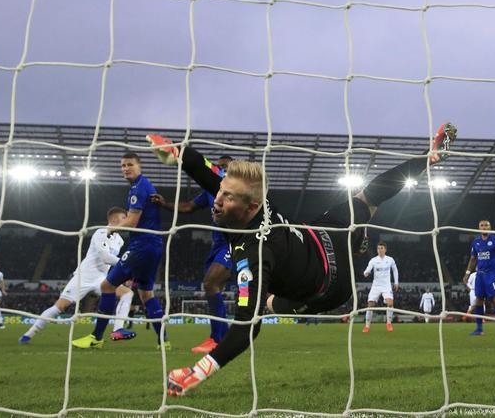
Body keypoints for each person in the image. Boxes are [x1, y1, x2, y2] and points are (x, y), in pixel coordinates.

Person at [152, 122, 456, 396]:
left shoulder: (253, 255)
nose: (216, 202)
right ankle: (416, 172)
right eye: (221, 193)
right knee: (369, 197)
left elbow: (247, 327)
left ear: (251, 207)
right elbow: (209, 175)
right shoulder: (256, 201)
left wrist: (197, 372)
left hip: (330, 285)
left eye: (227, 197)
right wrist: (177, 152)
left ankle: (412, 176)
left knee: (271, 304)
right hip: (321, 233)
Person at [71, 154, 168, 349]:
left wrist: (112, 228)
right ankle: (164, 341)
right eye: (122, 165)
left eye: (130, 164)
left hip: (141, 245)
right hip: (154, 245)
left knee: (107, 286)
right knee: (146, 294)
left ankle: (97, 338)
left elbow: (131, 222)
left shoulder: (139, 187)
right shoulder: (144, 185)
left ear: (139, 166)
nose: (125, 168)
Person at [150, 155, 234, 354]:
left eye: (226, 167)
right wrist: (165, 204)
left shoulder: (238, 190)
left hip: (234, 241)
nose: (222, 169)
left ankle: (216, 339)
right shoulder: (209, 190)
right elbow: (189, 206)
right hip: (217, 243)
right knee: (214, 288)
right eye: (219, 167)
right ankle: (225, 334)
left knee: (210, 283)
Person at [22, 207, 135, 344]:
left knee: (127, 293)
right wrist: (127, 263)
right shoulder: (100, 232)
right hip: (84, 277)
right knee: (60, 307)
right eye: (124, 218)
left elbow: (111, 262)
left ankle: (118, 329)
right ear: (114, 220)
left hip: (102, 278)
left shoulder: (120, 240)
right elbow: (105, 257)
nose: (127, 220)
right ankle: (29, 334)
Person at [463, 219, 495, 336]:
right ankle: (479, 329)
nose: (484, 227)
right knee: (479, 300)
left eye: (486, 225)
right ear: (479, 228)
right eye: (481, 225)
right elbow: (473, 259)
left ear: (490, 227)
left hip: (492, 274)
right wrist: (467, 273)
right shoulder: (476, 242)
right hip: (480, 275)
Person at [362, 242, 399, 333]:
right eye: (378, 248)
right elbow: (368, 269)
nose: (380, 250)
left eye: (381, 248)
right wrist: (366, 273)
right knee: (370, 305)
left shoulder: (390, 259)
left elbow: (395, 270)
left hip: (386, 285)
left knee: (390, 303)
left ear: (385, 249)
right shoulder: (373, 260)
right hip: (376, 285)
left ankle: (389, 323)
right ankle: (367, 326)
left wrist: (396, 282)